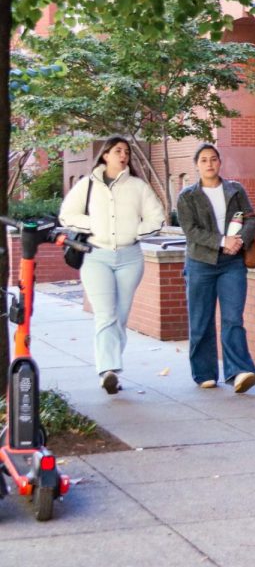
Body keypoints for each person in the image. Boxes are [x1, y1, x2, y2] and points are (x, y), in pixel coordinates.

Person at [59, 136, 165, 394]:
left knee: (121, 314)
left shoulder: (138, 186)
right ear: (105, 155)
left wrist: (134, 231)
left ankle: (112, 368)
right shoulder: (87, 186)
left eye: (126, 151)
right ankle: (108, 370)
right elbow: (66, 214)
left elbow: (157, 217)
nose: (123, 155)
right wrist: (94, 226)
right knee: (105, 314)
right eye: (118, 150)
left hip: (130, 258)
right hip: (96, 256)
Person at [176, 143, 255, 393]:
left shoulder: (235, 190)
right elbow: (190, 231)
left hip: (232, 264)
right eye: (203, 160)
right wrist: (223, 241)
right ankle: (204, 372)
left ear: (220, 162)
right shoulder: (187, 196)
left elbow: (250, 218)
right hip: (201, 263)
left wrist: (240, 241)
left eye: (213, 159)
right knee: (201, 320)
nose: (209, 164)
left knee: (233, 318)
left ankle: (239, 371)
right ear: (197, 165)